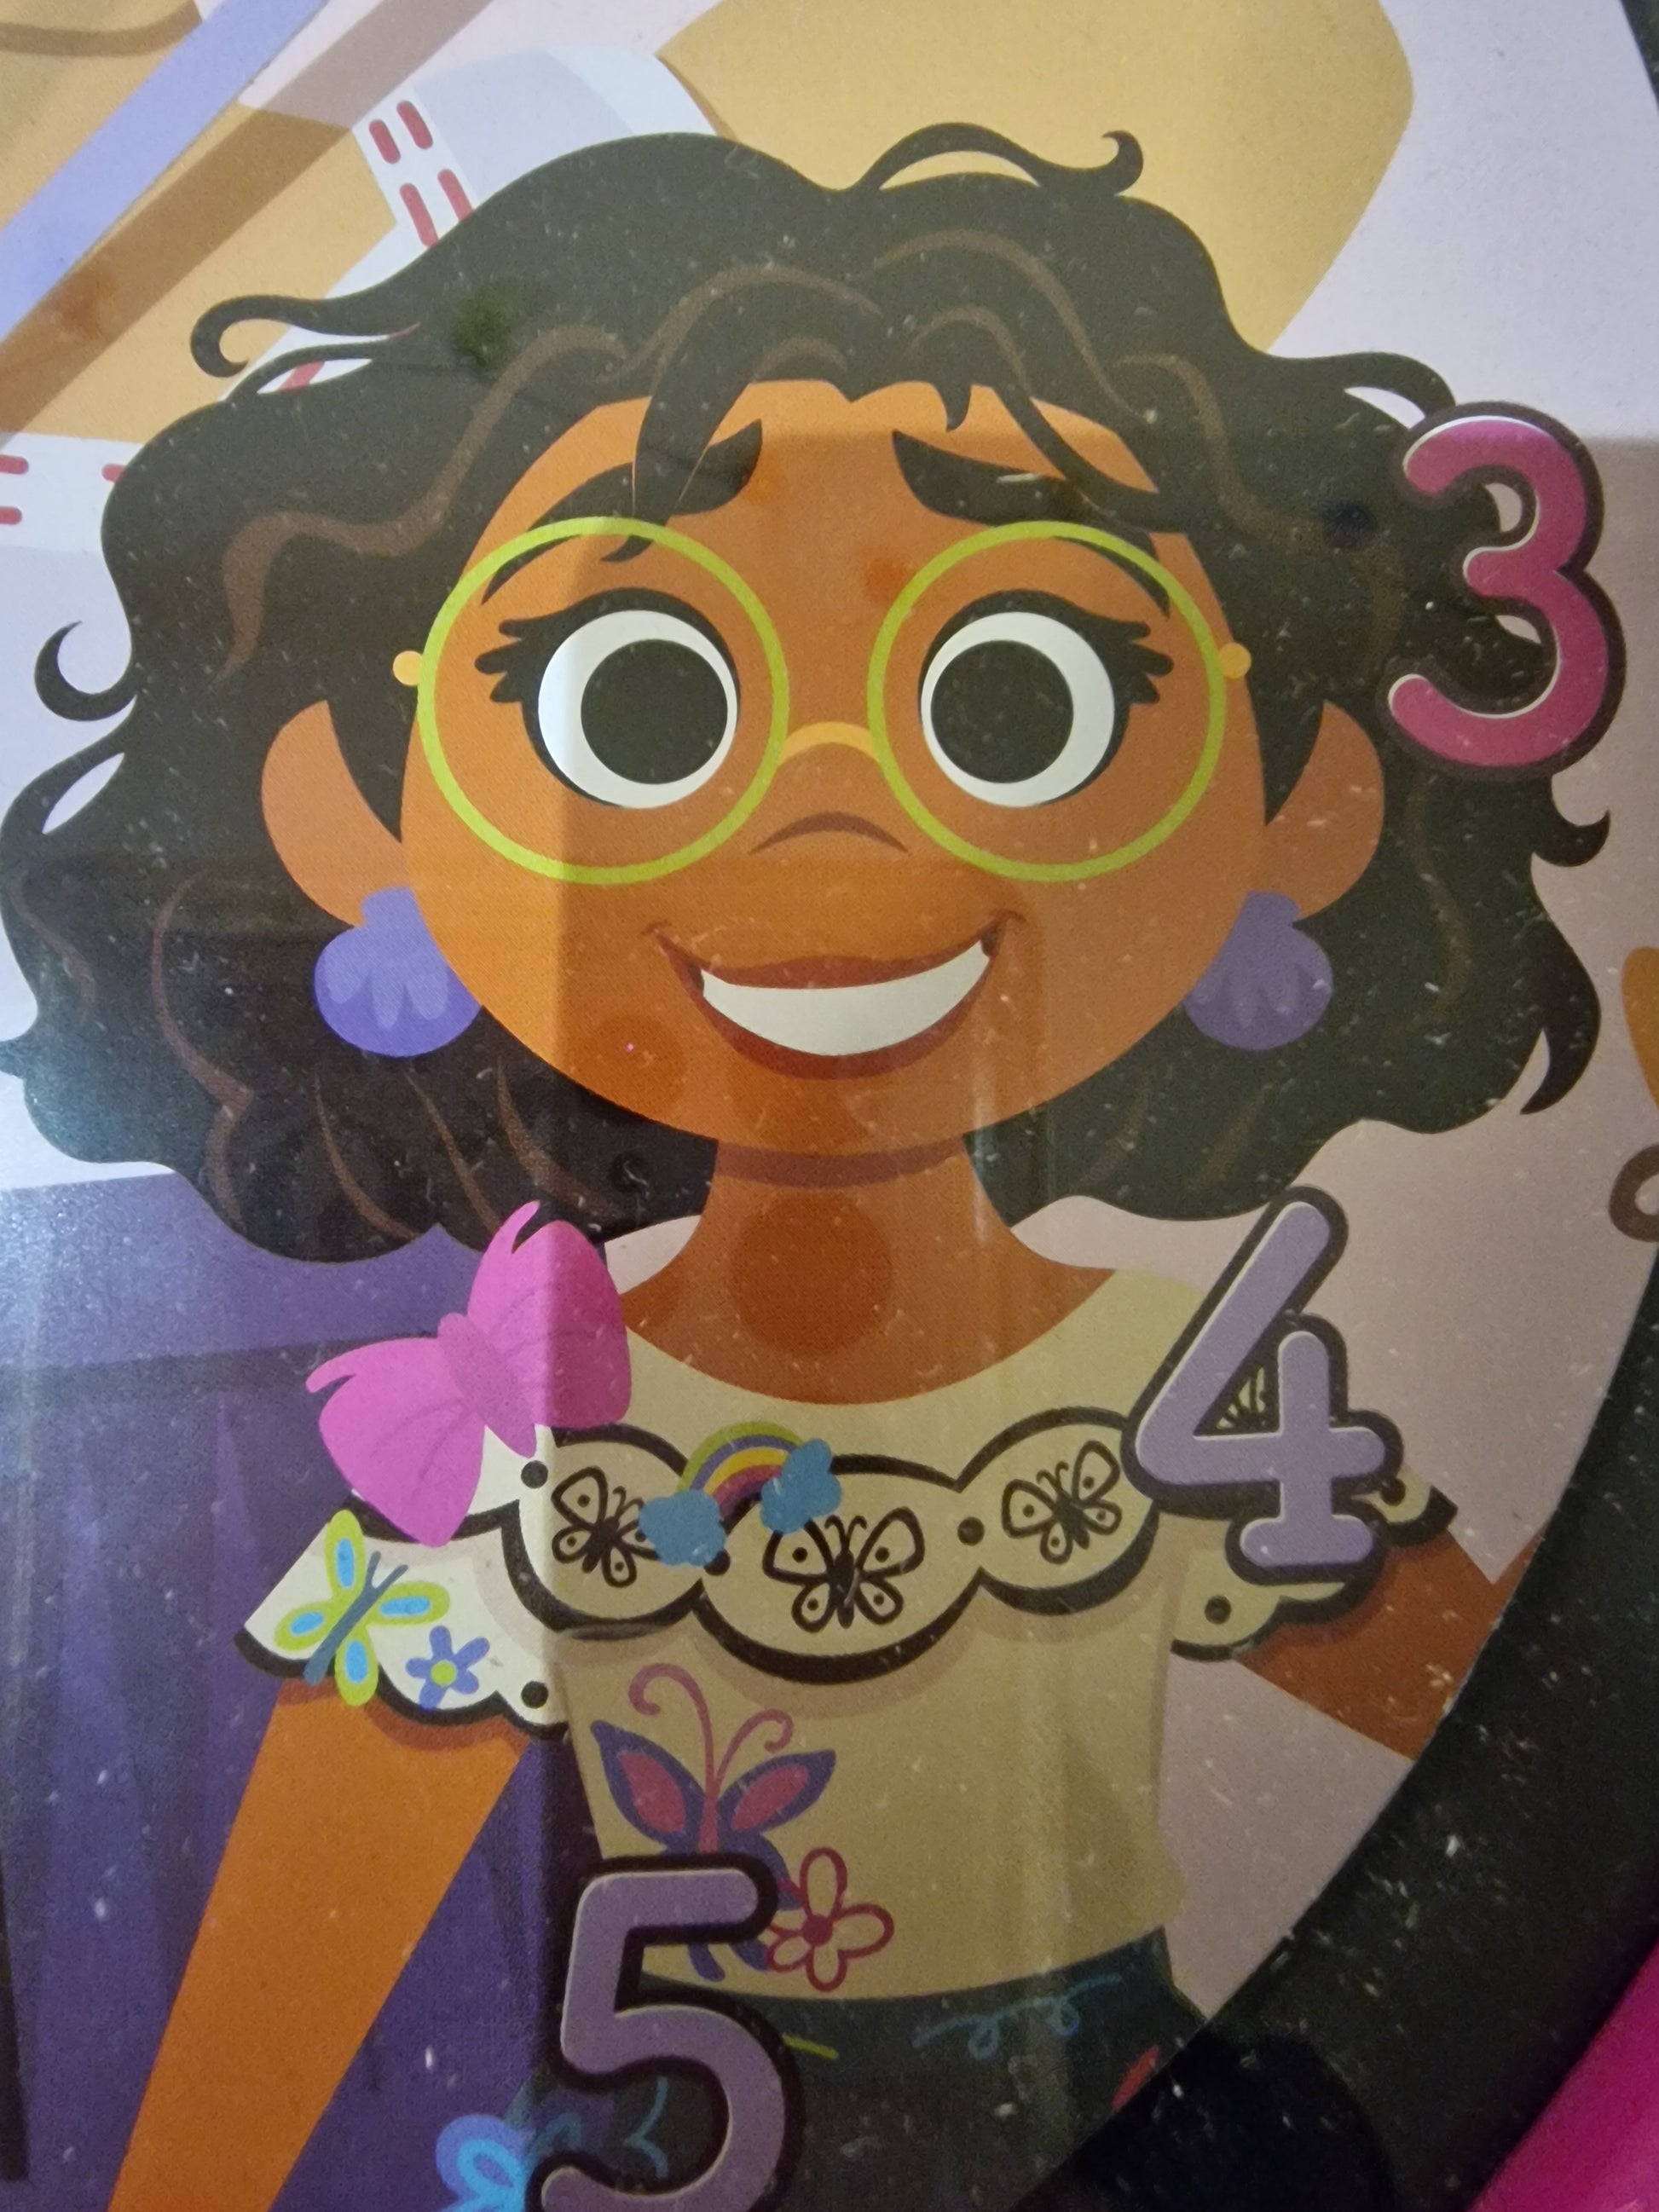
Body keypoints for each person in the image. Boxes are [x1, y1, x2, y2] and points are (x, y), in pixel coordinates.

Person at [0, 122, 1617, 2212]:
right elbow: (331, 1872)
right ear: (348, 809)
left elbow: (1541, 1751)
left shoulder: (1183, 1390)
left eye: (1019, 697)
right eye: (638, 701)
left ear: (1301, 800)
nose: (831, 820)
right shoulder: (514, 1409)